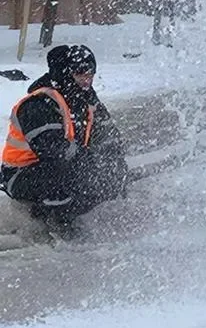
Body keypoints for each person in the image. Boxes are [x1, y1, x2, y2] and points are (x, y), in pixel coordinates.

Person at [1, 44, 128, 224]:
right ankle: (50, 219)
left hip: (64, 166)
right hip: (21, 174)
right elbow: (54, 150)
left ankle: (70, 209)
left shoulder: (87, 100)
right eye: (80, 73)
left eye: (90, 74)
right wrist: (89, 165)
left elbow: (109, 136)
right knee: (76, 178)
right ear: (67, 73)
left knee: (102, 176)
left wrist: (114, 165)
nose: (86, 79)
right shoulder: (38, 104)